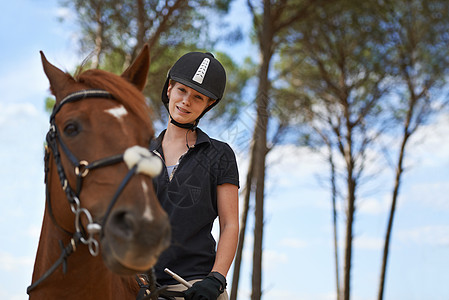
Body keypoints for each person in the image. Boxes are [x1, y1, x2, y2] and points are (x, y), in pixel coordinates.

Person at [149, 51, 239, 300]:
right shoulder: (140, 153)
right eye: (182, 91)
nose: (186, 101)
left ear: (208, 104)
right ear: (169, 89)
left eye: (197, 97)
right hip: (139, 284)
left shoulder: (220, 154)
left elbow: (230, 224)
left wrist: (217, 278)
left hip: (194, 286)